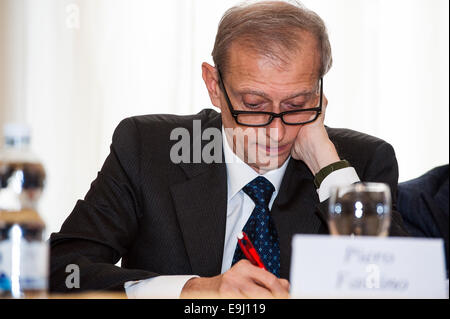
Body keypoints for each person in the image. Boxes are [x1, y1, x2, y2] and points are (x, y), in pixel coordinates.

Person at [50, 0, 408, 298]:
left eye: (297, 104)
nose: (277, 131)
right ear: (214, 86)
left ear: (319, 91)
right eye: (254, 105)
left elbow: (398, 287)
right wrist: (191, 290)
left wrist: (326, 167)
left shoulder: (359, 164)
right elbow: (61, 270)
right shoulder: (149, 149)